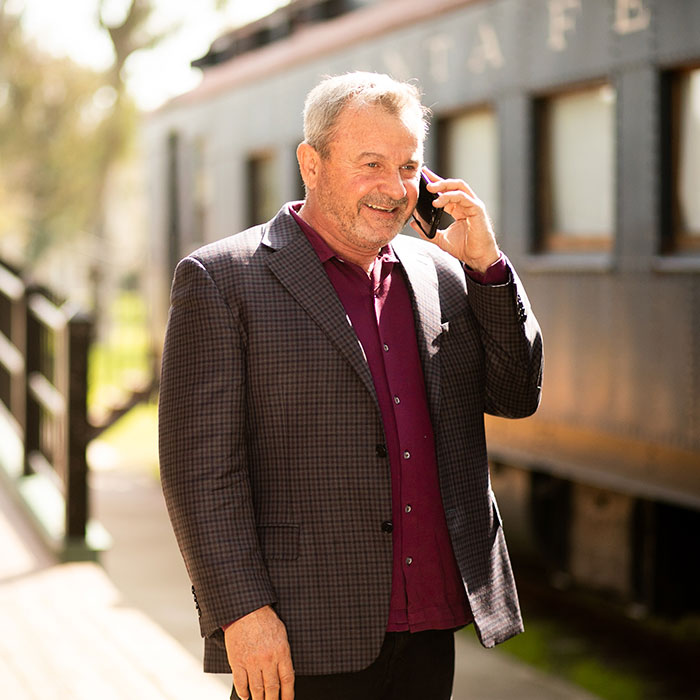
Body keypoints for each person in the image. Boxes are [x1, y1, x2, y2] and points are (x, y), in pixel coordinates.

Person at [158, 71, 543, 700]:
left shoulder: (445, 275)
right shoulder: (222, 281)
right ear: (312, 163)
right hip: (298, 636)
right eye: (371, 164)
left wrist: (489, 269)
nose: (394, 188)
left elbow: (517, 394)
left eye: (408, 166)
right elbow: (199, 472)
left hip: (426, 630)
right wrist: (240, 613)